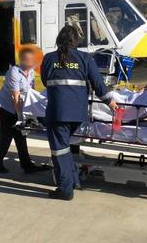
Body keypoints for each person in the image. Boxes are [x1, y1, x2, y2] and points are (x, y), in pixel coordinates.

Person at [41, 25, 118, 200]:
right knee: (65, 148)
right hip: (77, 114)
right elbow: (98, 84)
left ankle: (65, 190)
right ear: (76, 41)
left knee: (59, 151)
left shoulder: (48, 58)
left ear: (59, 39)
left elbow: (46, 82)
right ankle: (73, 180)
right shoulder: (85, 58)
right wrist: (109, 101)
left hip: (58, 114)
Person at [0, 47, 50, 174]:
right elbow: (15, 97)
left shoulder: (31, 72)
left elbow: (30, 93)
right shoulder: (14, 72)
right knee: (5, 137)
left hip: (18, 108)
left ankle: (26, 165)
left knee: (21, 136)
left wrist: (31, 112)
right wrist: (21, 118)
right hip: (4, 108)